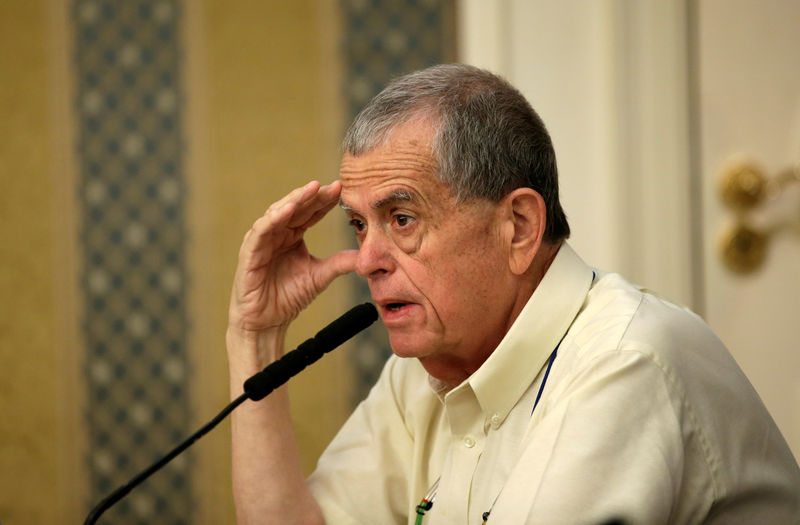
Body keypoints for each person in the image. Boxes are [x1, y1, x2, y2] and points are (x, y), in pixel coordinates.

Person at [226, 64, 799, 524]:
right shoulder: (423, 372)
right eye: (358, 225)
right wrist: (256, 338)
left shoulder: (627, 363)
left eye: (401, 218)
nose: (368, 261)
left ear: (519, 227)